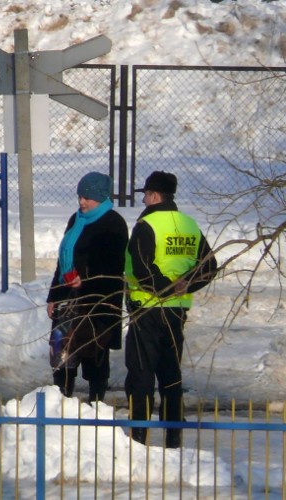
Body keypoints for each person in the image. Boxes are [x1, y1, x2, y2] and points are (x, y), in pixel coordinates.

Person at [124, 171, 218, 448]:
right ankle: (173, 437)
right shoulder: (189, 224)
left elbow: (141, 268)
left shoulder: (147, 224)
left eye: (145, 194)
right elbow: (210, 266)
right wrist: (184, 286)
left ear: (154, 196)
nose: (143, 198)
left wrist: (164, 287)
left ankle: (138, 437)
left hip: (147, 309)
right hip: (177, 312)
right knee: (170, 374)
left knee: (141, 373)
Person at [46, 172, 128, 402]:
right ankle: (61, 401)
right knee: (60, 354)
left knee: (94, 355)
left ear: (101, 198)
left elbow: (113, 268)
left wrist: (87, 280)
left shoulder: (113, 223)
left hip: (97, 302)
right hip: (69, 298)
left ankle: (96, 405)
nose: (82, 202)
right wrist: (54, 295)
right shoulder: (76, 219)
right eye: (80, 196)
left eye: (88, 198)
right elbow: (63, 259)